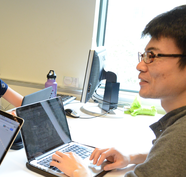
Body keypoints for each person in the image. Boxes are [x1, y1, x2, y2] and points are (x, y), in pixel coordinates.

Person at [49, 5, 186, 177]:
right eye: (144, 55)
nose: (140, 66)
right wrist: (132, 157)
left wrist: (80, 172)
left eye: (152, 56)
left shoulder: (181, 136)